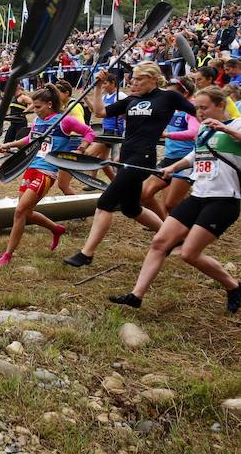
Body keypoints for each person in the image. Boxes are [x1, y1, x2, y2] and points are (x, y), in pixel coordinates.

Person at [109, 86, 240, 313]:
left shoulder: (236, 125)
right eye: (197, 107)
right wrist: (173, 167)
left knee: (189, 253)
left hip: (223, 200)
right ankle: (136, 296)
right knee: (160, 242)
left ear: (220, 106)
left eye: (205, 107)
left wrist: (227, 131)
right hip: (198, 195)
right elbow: (195, 155)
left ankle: (233, 286)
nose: (199, 112)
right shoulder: (203, 130)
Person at [64, 62, 198, 267]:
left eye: (139, 79)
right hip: (127, 155)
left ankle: (86, 253)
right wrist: (98, 86)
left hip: (143, 156)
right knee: (131, 208)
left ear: (153, 78)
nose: (133, 83)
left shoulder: (168, 97)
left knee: (106, 202)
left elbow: (198, 111)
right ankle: (174, 238)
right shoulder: (132, 100)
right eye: (132, 79)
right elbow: (100, 112)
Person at [0, 84, 95, 267]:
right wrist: (9, 146)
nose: (35, 111)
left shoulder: (64, 121)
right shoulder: (38, 122)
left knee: (20, 211)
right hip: (31, 168)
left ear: (49, 104)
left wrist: (81, 148)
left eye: (38, 107)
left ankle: (7, 255)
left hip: (47, 172)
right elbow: (30, 140)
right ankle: (56, 229)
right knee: (27, 212)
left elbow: (89, 132)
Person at [140, 77, 199, 219]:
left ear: (184, 94)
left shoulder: (191, 109)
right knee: (144, 194)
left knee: (171, 204)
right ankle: (165, 223)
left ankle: (183, 230)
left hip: (185, 161)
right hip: (169, 158)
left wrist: (167, 135)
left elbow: (193, 133)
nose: (167, 96)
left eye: (171, 94)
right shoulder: (172, 110)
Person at [83, 75, 126, 182]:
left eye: (105, 83)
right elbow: (95, 111)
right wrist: (86, 99)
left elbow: (129, 108)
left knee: (90, 153)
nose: (103, 86)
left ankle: (92, 181)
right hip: (106, 129)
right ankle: (114, 182)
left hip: (114, 132)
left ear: (113, 83)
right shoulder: (104, 97)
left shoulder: (120, 95)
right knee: (102, 160)